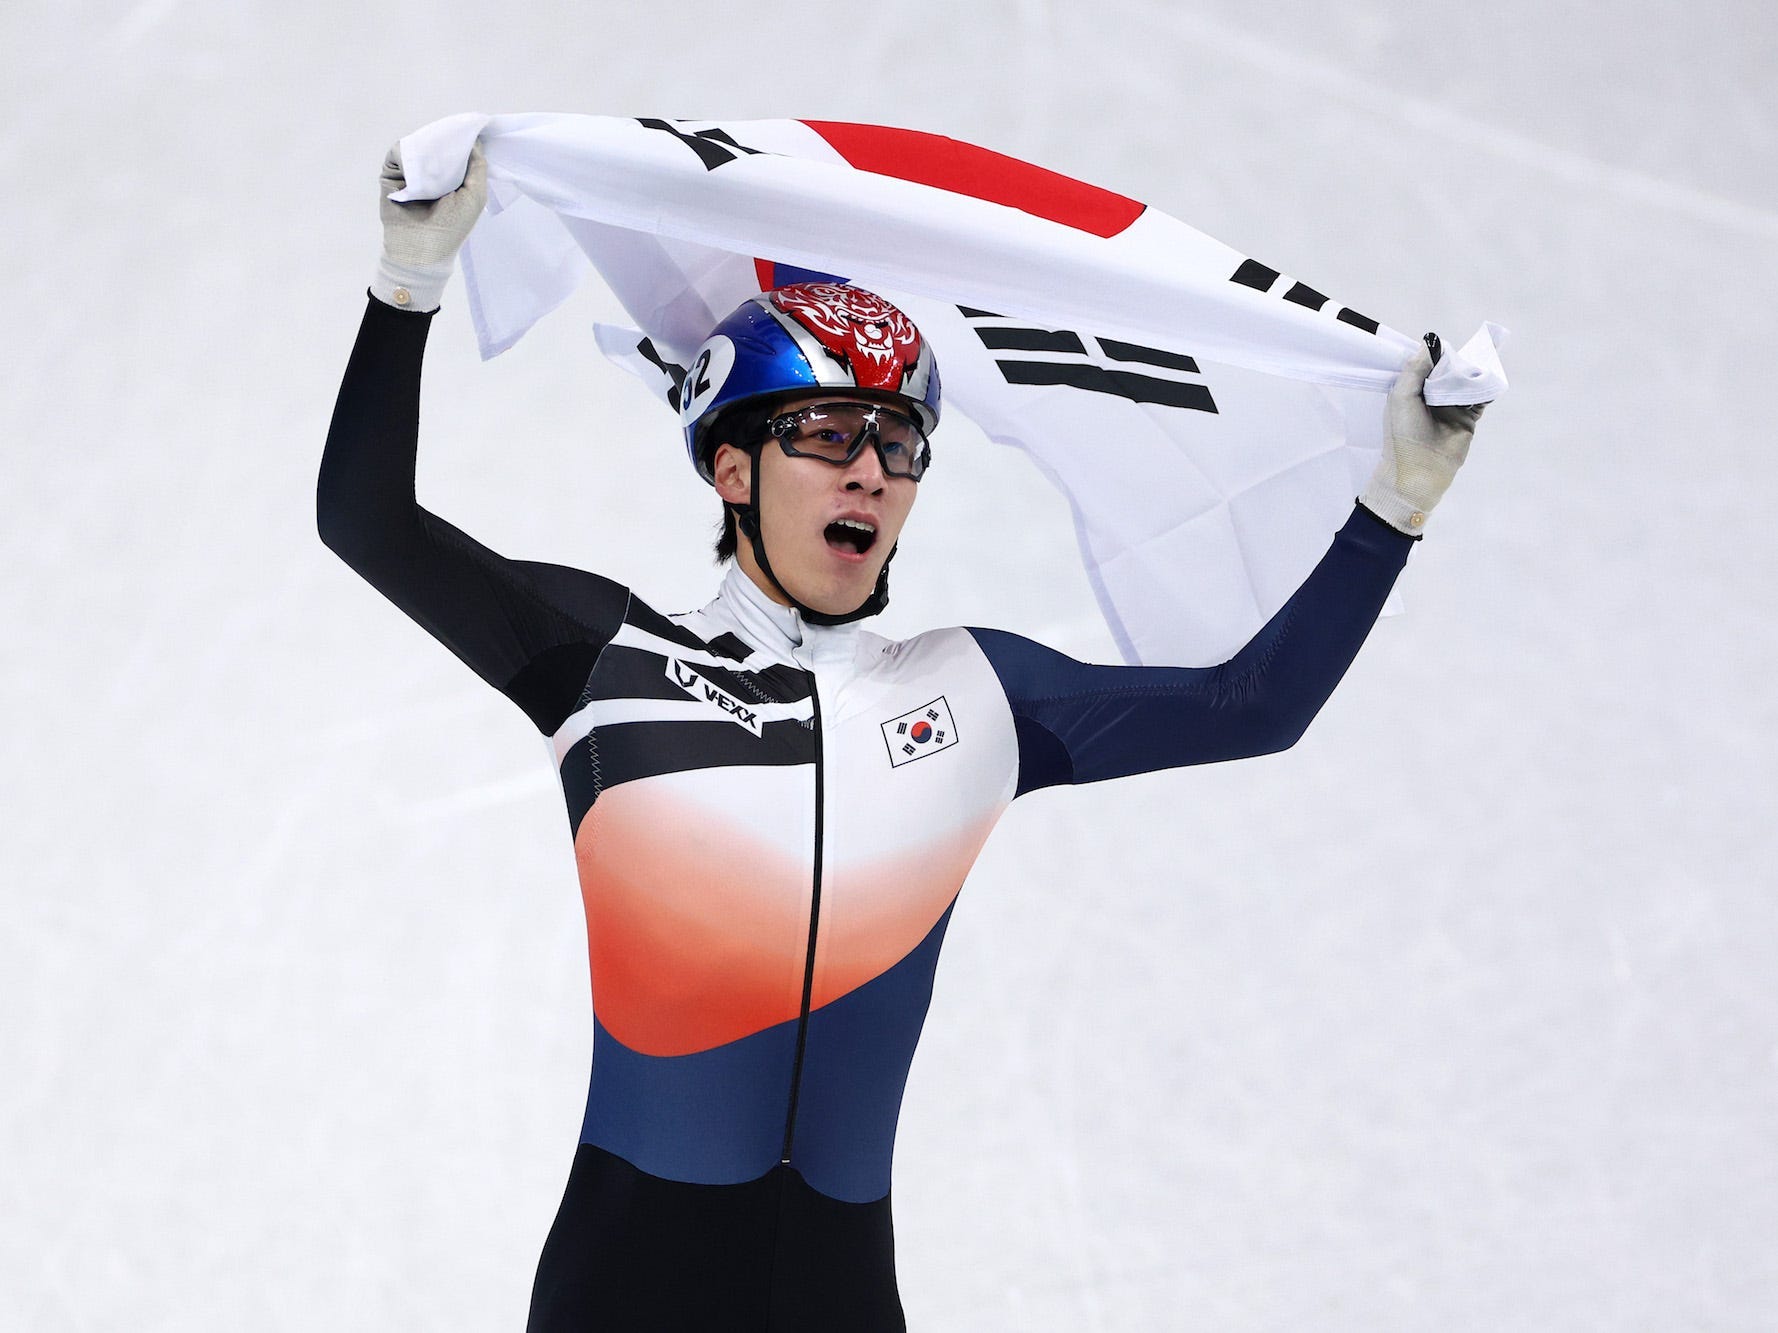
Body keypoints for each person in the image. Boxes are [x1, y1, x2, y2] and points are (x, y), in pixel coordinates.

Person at [318, 143, 1482, 1332]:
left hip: (836, 1288)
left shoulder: (977, 693)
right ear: (730, 464)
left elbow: (1256, 708)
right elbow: (364, 520)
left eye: (897, 442)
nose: (870, 471)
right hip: (627, 1284)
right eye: (826, 432)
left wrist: (1392, 508)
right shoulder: (602, 658)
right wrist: (407, 282)